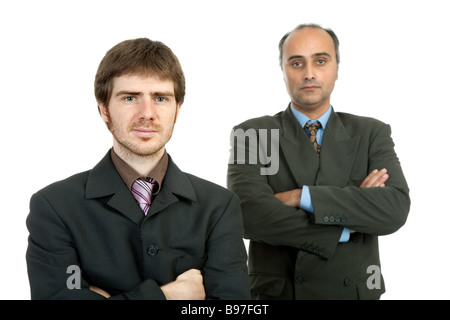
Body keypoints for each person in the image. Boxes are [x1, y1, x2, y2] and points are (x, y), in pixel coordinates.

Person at [26, 38, 250, 300]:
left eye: (161, 98)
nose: (148, 113)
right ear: (104, 109)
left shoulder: (219, 207)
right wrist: (167, 297)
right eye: (130, 97)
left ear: (177, 110)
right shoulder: (55, 207)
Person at [227, 24, 410, 300]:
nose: (309, 73)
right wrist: (347, 222)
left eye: (320, 61)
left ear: (337, 68)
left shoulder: (371, 133)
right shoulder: (254, 133)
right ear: (283, 70)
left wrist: (304, 196)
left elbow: (394, 209)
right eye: (296, 63)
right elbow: (247, 216)